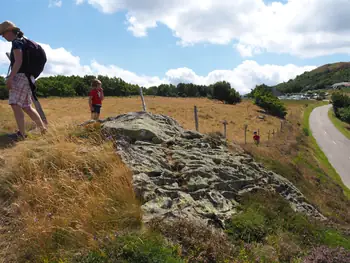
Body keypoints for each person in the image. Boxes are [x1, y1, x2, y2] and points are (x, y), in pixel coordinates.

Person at [0, 21, 47, 140]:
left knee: (15, 104)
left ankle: (21, 134)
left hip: (20, 76)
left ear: (9, 31)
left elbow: (18, 61)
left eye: (3, 34)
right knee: (26, 106)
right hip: (28, 77)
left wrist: (10, 78)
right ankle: (43, 130)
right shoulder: (23, 41)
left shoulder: (16, 42)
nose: (3, 37)